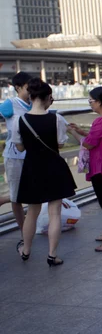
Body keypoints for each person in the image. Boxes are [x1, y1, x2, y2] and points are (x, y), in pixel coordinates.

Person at [13, 79, 76, 266]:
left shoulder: (20, 120)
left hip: (32, 168)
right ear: (49, 97)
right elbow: (61, 143)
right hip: (54, 167)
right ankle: (52, 254)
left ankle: (26, 250)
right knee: (54, 212)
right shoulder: (56, 118)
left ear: (31, 97)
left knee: (32, 212)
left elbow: (20, 147)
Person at [68, 87, 102, 252]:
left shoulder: (100, 121)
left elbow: (88, 143)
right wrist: (81, 131)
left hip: (101, 169)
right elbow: (98, 136)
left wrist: (73, 133)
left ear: (99, 102)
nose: (90, 104)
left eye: (91, 101)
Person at [0, 72, 32, 242]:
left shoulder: (35, 103)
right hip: (14, 156)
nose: (32, 90)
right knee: (17, 196)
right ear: (18, 87)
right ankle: (24, 231)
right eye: (29, 86)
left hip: (32, 155)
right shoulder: (9, 104)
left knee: (30, 192)